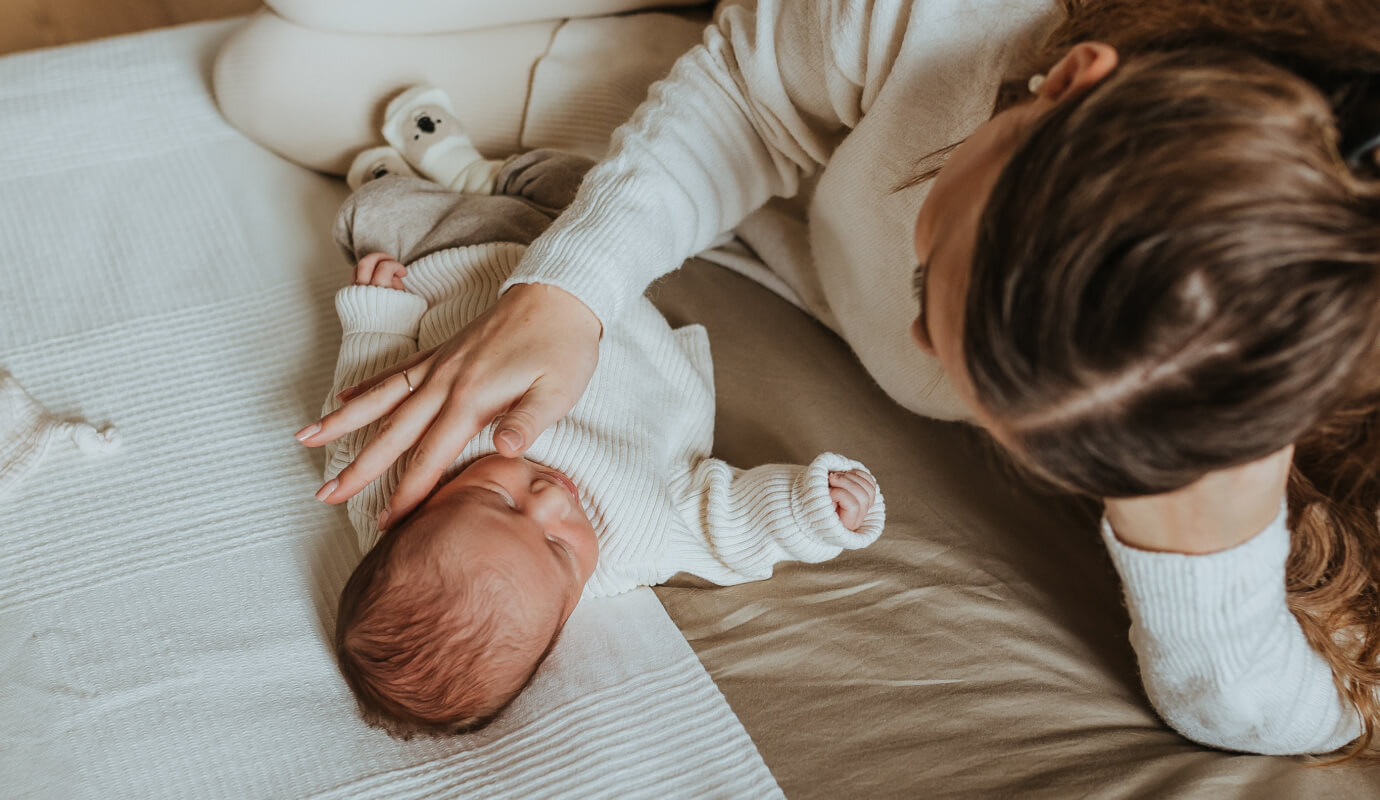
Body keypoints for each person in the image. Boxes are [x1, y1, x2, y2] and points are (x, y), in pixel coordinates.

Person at [218, 0, 1380, 758]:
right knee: (268, 64)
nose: (917, 341)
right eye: (935, 270)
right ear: (1067, 79)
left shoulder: (1232, 413)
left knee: (277, 75)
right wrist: (567, 285)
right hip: (800, 78)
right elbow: (745, 94)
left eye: (997, 403)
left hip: (801, 140)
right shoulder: (957, 20)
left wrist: (1211, 508)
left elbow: (1269, 709)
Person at [319, 117, 885, 736]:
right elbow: (722, 527)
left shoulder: (388, 488)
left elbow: (364, 409)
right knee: (575, 186)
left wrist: (377, 317)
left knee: (374, 211)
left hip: (461, 256)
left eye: (499, 501)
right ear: (562, 621)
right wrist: (810, 511)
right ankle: (467, 169)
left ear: (408, 517)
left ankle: (465, 173)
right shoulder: (632, 542)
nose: (550, 501)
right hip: (596, 285)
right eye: (559, 548)